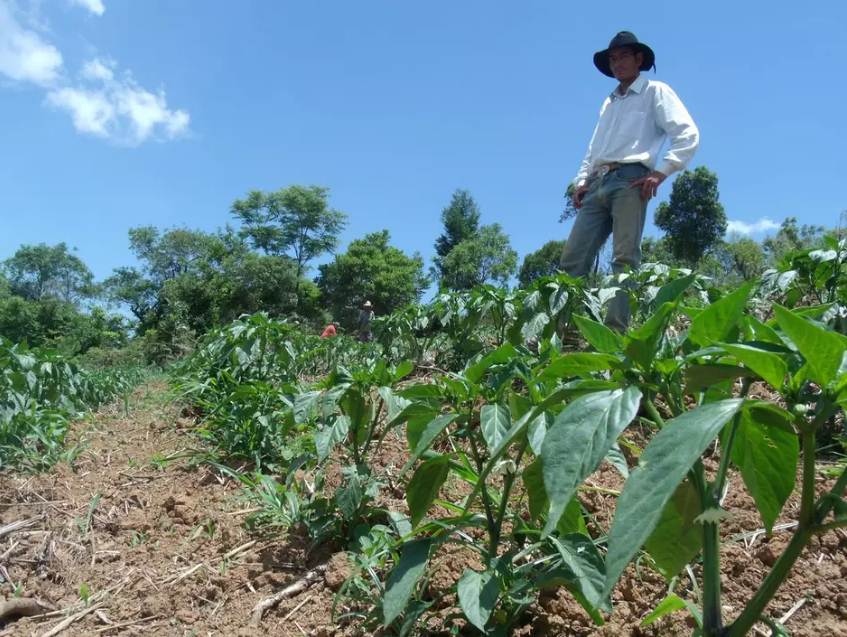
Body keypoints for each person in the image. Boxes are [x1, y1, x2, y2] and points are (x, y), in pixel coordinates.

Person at [561, 31, 699, 331]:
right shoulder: (609, 103)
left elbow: (687, 134)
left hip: (631, 180)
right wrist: (581, 181)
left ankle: (614, 334)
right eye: (612, 58)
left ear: (639, 59)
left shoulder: (655, 91)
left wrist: (661, 172)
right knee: (572, 260)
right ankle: (567, 337)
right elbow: (594, 147)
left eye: (623, 56)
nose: (616, 63)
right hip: (598, 183)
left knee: (624, 259)